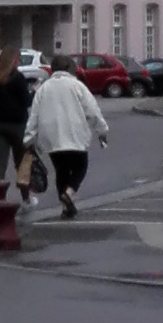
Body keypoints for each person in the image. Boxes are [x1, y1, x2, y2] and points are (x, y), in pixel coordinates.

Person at [24, 55, 109, 218]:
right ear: (69, 68)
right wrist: (102, 131)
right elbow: (93, 111)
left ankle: (65, 208)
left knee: (61, 171)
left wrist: (28, 138)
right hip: (75, 133)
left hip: (52, 136)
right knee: (80, 167)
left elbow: (34, 116)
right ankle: (69, 193)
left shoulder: (43, 88)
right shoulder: (77, 86)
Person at [0, 43, 35, 195]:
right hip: (17, 125)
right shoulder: (17, 78)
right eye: (18, 59)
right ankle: (26, 199)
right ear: (14, 60)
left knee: (0, 164)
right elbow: (26, 102)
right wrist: (32, 93)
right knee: (21, 164)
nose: (19, 62)